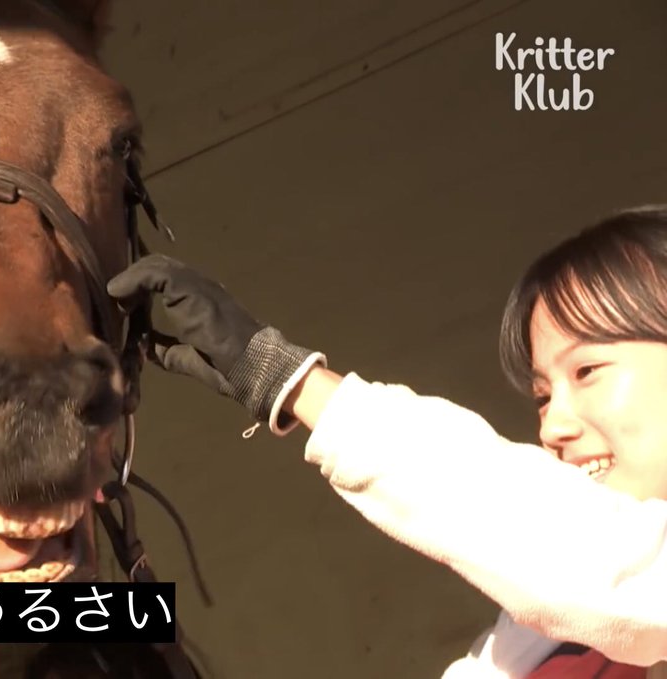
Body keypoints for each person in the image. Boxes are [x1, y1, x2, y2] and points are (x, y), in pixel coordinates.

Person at [107, 205, 667, 677]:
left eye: (587, 371)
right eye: (543, 396)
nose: (552, 427)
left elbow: (599, 558)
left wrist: (290, 382)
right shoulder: (538, 641)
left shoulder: (610, 580)